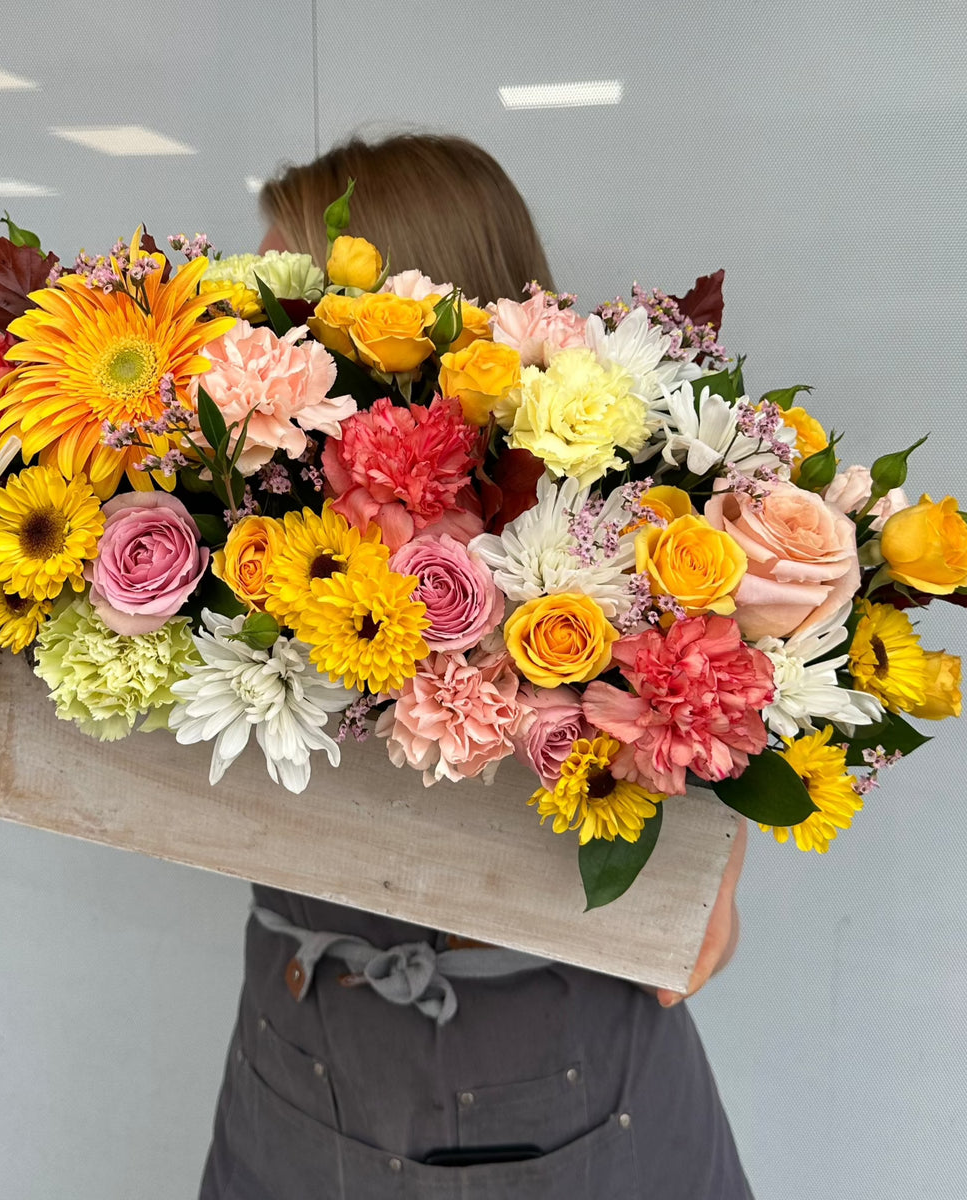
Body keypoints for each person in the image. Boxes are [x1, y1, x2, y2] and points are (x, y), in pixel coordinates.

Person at [197, 132, 754, 1200]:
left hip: (569, 1094)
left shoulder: (619, 544)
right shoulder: (232, 523)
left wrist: (704, 846)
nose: (239, 354)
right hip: (295, 1062)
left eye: (277, 321)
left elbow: (694, 937)